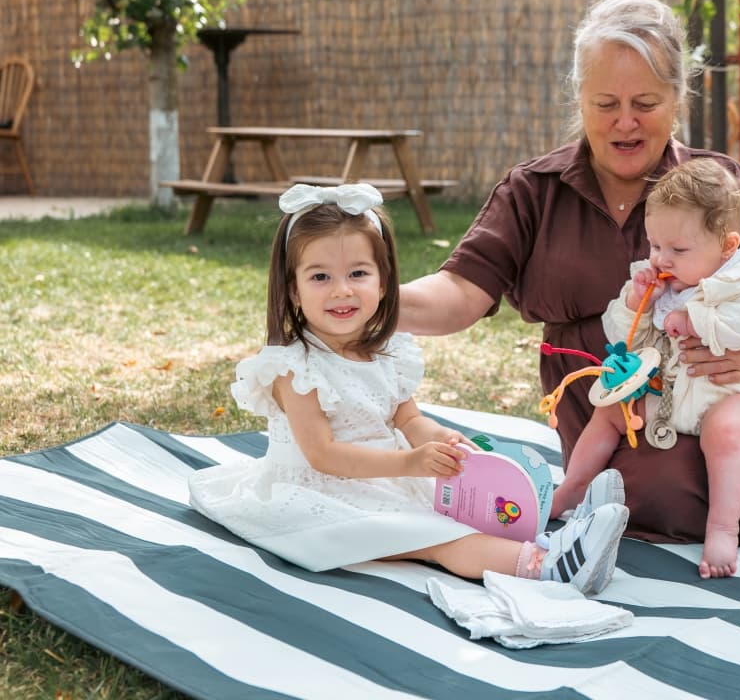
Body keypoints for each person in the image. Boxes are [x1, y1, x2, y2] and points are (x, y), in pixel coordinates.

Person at [394, 0, 740, 553]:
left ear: (677, 97)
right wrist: (372, 305)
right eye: (605, 103)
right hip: (623, 407)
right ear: (579, 100)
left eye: (645, 102)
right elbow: (459, 293)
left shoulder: (716, 187)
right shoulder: (533, 192)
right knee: (668, 497)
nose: (625, 122)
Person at [188, 183, 628, 595]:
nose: (341, 290)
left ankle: (564, 525)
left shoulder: (386, 349)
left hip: (388, 475)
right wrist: (411, 461)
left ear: (383, 283)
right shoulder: (294, 367)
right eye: (320, 277)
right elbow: (323, 455)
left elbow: (406, 417)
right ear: (294, 290)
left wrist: (434, 437)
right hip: (319, 493)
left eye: (357, 273)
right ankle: (546, 564)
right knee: (437, 537)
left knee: (465, 500)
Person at [549, 158, 740, 578]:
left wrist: (696, 321)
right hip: (669, 399)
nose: (662, 259)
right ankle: (573, 486)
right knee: (612, 411)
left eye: (678, 250)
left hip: (731, 397)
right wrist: (637, 305)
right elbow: (622, 336)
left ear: (726, 246)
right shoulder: (653, 282)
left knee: (724, 432)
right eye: (654, 246)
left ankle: (722, 529)